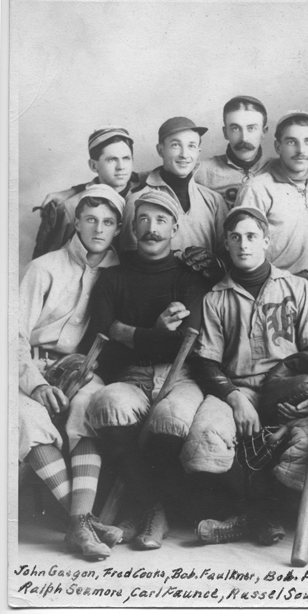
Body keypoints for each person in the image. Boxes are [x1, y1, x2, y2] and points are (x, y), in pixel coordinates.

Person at [179, 206, 308, 545]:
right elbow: (207, 363)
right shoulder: (215, 297)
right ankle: (253, 517)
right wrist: (235, 399)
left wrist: (298, 388)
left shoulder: (297, 288)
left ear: (266, 240)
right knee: (205, 436)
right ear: (227, 244)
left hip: (288, 389)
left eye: (251, 236)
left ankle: (256, 517)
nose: (243, 244)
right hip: (237, 389)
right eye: (235, 238)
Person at [85, 189, 209, 551]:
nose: (151, 228)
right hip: (130, 376)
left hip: (180, 376)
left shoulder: (190, 279)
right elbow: (105, 331)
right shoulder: (112, 277)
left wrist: (131, 333)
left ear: (174, 227)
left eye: (160, 220)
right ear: (132, 227)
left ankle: (145, 510)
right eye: (143, 219)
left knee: (171, 418)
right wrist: (155, 331)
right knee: (106, 404)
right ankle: (153, 507)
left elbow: (184, 342)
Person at [19, 185, 126, 561]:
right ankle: (84, 523)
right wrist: (33, 384)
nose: (99, 229)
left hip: (81, 368)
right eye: (91, 219)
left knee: (89, 406)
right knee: (25, 418)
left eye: (108, 222)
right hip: (29, 365)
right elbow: (10, 336)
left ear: (117, 228)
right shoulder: (44, 267)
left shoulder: (119, 272)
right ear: (77, 222)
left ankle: (79, 525)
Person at [120, 117, 228, 259]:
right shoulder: (137, 200)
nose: (184, 154)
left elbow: (226, 253)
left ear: (198, 152)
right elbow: (129, 258)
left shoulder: (214, 200)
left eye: (191, 146)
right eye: (176, 145)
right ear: (160, 150)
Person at [235, 110, 308, 280]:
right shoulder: (257, 189)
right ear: (278, 147)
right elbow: (243, 250)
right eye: (291, 142)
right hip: (271, 286)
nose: (301, 150)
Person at [34, 126, 143, 257]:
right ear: (93, 165)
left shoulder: (146, 191)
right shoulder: (71, 207)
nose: (121, 167)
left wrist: (73, 189)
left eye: (126, 158)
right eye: (111, 159)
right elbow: (51, 257)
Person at [194, 95, 272, 209]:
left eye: (251, 128)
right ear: (225, 132)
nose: (244, 138)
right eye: (235, 128)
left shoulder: (279, 169)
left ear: (264, 132)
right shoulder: (202, 171)